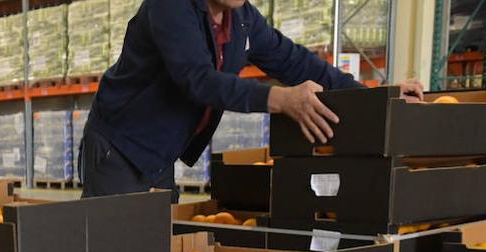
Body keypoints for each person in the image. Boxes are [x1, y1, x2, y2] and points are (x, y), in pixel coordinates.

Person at [81, 0, 424, 199]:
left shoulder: (242, 19)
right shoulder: (171, 6)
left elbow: (295, 62)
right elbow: (197, 80)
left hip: (159, 154)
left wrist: (378, 95)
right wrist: (279, 99)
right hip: (120, 148)